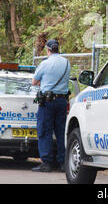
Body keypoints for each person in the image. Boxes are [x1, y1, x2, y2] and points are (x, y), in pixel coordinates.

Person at [31, 39, 71, 172]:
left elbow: (34, 81)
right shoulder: (66, 62)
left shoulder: (45, 63)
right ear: (58, 49)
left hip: (47, 102)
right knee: (61, 132)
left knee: (45, 131)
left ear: (48, 50)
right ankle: (63, 163)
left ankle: (46, 163)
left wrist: (43, 82)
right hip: (62, 101)